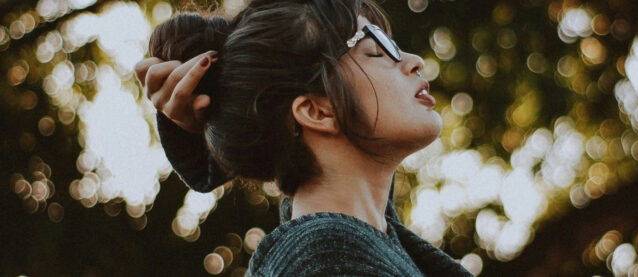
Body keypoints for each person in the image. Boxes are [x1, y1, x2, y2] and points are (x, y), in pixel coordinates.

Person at [134, 0, 473, 276]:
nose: (414, 62)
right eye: (376, 52)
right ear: (317, 111)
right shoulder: (325, 253)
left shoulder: (349, 242)